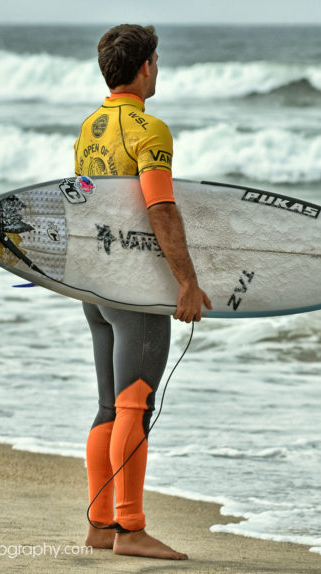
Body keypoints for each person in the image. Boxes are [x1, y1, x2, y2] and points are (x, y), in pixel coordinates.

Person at [74, 24, 212, 560]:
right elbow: (160, 207)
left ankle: (100, 524)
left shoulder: (91, 127)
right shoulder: (148, 129)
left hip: (94, 280)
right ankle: (130, 530)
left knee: (109, 405)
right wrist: (187, 281)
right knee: (135, 404)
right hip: (132, 287)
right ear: (147, 66)